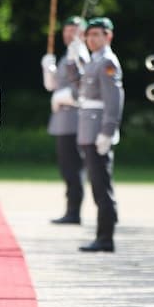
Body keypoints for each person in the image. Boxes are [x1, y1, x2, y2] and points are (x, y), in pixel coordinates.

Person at [76, 17, 124, 252]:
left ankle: (106, 237)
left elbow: (113, 101)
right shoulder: (94, 60)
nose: (92, 38)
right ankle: (102, 235)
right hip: (89, 131)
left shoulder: (107, 61)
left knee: (102, 187)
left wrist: (108, 131)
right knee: (97, 186)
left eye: (97, 34)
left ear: (108, 36)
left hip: (98, 133)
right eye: (89, 34)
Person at [41, 15, 88, 224]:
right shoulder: (67, 55)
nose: (70, 34)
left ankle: (74, 211)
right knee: (67, 167)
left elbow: (85, 87)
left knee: (73, 168)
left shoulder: (81, 54)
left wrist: (62, 96)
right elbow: (53, 86)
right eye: (67, 30)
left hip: (75, 118)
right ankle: (71, 209)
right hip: (63, 119)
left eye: (75, 30)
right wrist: (48, 70)